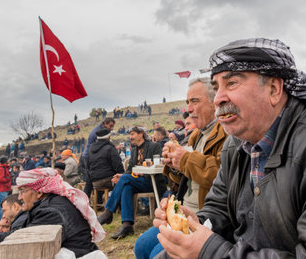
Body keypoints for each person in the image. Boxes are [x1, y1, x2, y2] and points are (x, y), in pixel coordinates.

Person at [154, 38, 306, 258]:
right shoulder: (237, 143)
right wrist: (196, 223)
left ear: (275, 89)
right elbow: (219, 207)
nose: (218, 99)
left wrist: (211, 252)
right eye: (217, 88)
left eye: (232, 83)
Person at [135, 77, 227, 259]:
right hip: (184, 211)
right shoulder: (195, 136)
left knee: (156, 254)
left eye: (195, 101)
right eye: (187, 102)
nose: (189, 109)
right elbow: (184, 179)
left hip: (206, 216)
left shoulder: (226, 133)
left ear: (214, 102)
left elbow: (221, 174)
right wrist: (174, 166)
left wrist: (184, 160)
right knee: (141, 245)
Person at [0, 168, 105, 258]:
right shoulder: (51, 204)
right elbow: (23, 234)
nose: (20, 197)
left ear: (39, 191)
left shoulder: (50, 211)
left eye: (22, 191)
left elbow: (23, 240)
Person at [97, 126, 166, 239]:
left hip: (152, 182)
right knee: (126, 187)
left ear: (141, 134)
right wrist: (122, 175)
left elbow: (159, 166)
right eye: (130, 135)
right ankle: (127, 225)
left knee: (125, 181)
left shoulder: (154, 146)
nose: (131, 137)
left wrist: (142, 173)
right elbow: (130, 170)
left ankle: (108, 212)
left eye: (133, 134)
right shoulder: (134, 150)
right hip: (138, 183)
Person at [81, 129, 124, 201]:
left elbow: (87, 165)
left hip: (94, 181)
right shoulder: (110, 148)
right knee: (123, 181)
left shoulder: (91, 148)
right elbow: (118, 166)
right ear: (109, 137)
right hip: (107, 180)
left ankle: (99, 202)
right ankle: (119, 205)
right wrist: (122, 174)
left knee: (103, 177)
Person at [80, 118, 116, 196]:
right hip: (88, 156)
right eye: (110, 126)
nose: (111, 128)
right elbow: (99, 146)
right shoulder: (97, 132)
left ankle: (97, 201)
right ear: (104, 123)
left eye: (113, 126)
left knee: (97, 177)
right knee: (91, 178)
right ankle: (85, 199)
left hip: (91, 155)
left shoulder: (102, 130)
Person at [0, 156, 11, 228]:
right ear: (5, 161)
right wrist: (8, 179)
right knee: (2, 207)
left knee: (2, 206)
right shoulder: (1, 168)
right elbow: (0, 179)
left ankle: (0, 222)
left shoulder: (4, 168)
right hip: (2, 190)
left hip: (4, 189)